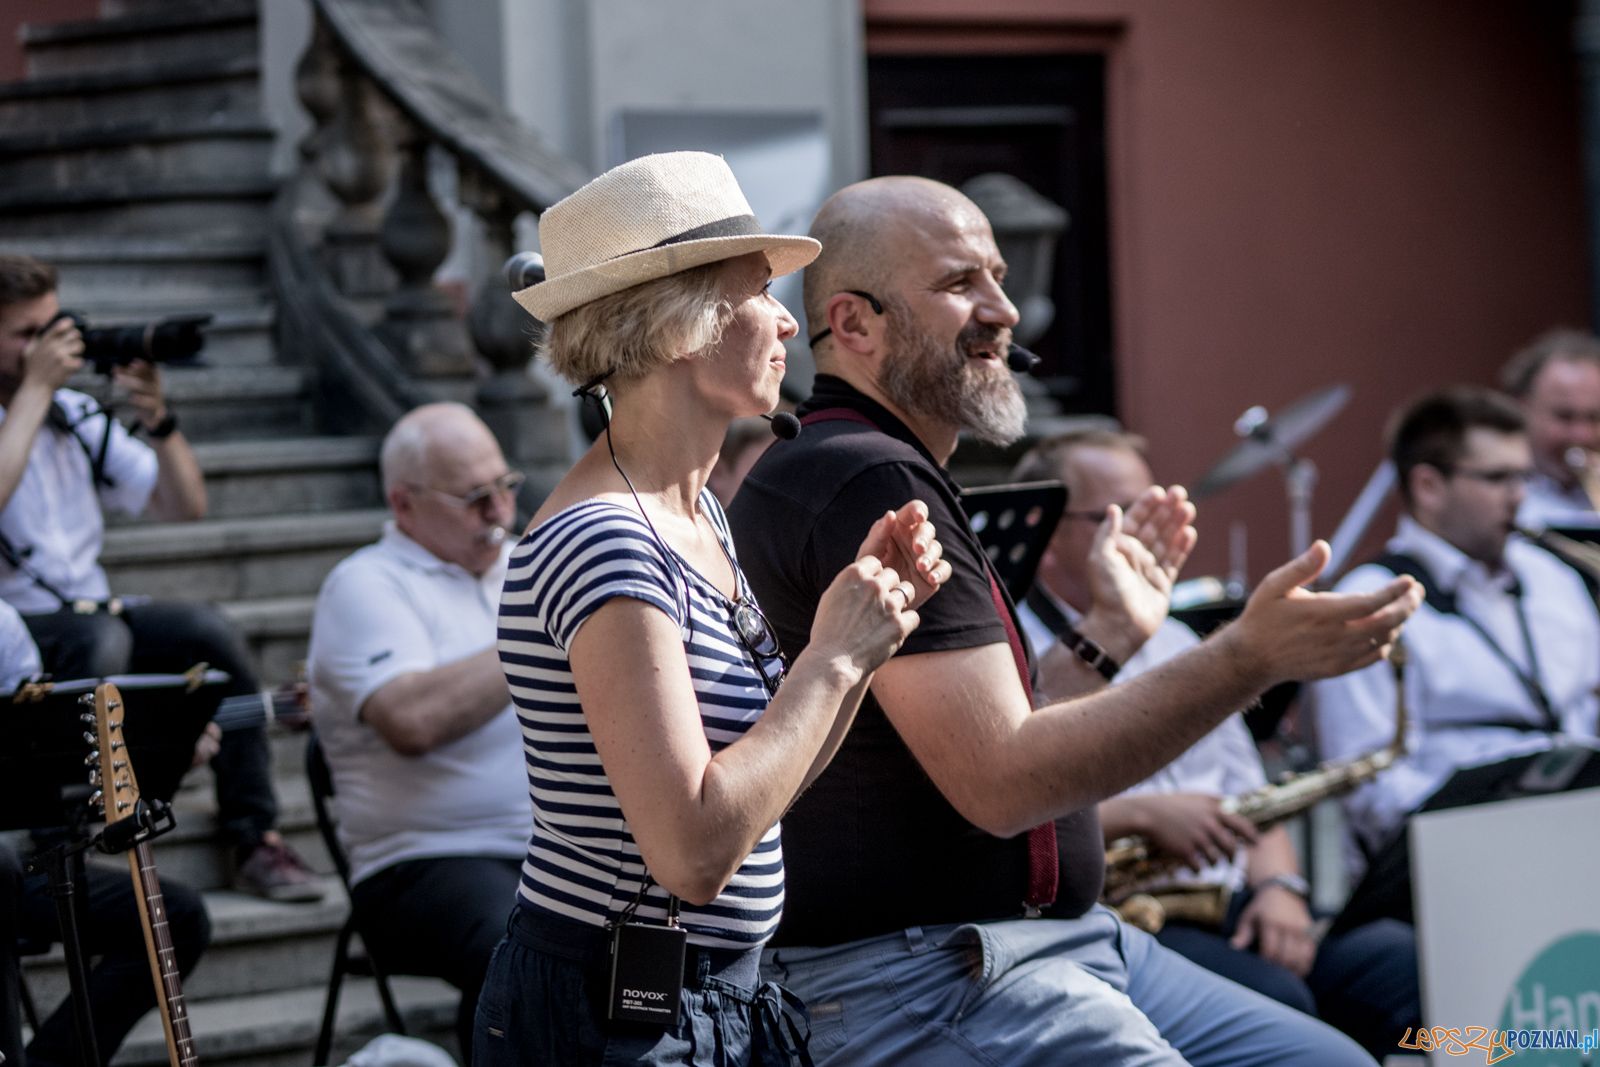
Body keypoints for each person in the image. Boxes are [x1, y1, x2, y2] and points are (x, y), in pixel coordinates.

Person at [727, 175, 1421, 1067]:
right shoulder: (866, 479)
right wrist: (1246, 657)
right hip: (930, 974)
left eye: (999, 277)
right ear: (855, 326)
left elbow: (984, 740)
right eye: (958, 284)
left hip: (1051, 945)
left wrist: (1108, 635)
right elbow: (1003, 783)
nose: (1004, 310)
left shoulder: (876, 467)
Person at [479, 152, 954, 1066]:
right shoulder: (607, 538)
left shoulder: (695, 515)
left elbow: (757, 802)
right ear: (682, 327)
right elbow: (693, 854)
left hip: (702, 994)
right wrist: (832, 661)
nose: (788, 321)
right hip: (612, 1013)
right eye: (762, 291)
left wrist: (868, 633)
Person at [1013, 429, 1420, 1058]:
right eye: (1121, 515)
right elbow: (1009, 795)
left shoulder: (1177, 637)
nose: (1149, 531)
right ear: (1048, 533)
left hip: (1234, 904)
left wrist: (1281, 890)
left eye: (1159, 507)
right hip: (1132, 916)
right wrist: (1143, 814)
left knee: (1408, 970)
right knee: (1287, 1008)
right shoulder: (1015, 647)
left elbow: (1254, 798)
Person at [0, 255, 320, 903]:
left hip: (94, 611)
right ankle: (58, 833)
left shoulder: (73, 413)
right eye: (24, 333)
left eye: (51, 325)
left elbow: (184, 506)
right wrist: (31, 393)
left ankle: (255, 833)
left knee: (208, 633)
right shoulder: (37, 406)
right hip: (20, 633)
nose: (47, 346)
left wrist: (160, 420)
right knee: (101, 646)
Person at [308, 402, 533, 1061]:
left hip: (543, 849)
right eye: (473, 497)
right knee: (527, 947)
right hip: (419, 860)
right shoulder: (366, 584)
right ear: (403, 504)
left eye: (505, 487)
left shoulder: (526, 568)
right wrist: (535, 630)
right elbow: (412, 719)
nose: (497, 511)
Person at [1308, 387, 1600, 866]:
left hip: (1573, 843)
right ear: (1428, 486)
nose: (1520, 497)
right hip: (1445, 867)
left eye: (1523, 476)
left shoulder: (1557, 577)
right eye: (1498, 478)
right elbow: (1365, 784)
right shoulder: (1368, 600)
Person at [1501, 329, 1600, 530]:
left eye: (1594, 418)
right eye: (1564, 416)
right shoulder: (1498, 493)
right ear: (1522, 410)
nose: (1582, 435)